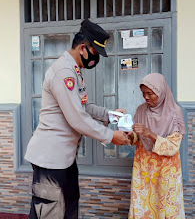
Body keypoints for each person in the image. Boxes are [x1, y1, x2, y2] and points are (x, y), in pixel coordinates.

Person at [25, 19, 130, 219]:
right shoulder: (64, 72)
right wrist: (110, 136)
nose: (96, 59)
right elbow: (77, 118)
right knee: (52, 212)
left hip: (64, 158)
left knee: (69, 207)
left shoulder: (74, 70)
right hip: (50, 160)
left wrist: (109, 115)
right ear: (83, 48)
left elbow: (82, 106)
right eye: (95, 53)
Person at [127, 73, 186, 219]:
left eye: (150, 93)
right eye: (143, 93)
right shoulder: (141, 110)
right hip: (144, 168)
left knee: (165, 206)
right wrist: (129, 134)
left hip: (166, 169)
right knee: (143, 205)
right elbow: (137, 139)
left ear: (161, 91)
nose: (146, 97)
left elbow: (173, 146)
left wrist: (150, 133)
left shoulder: (174, 112)